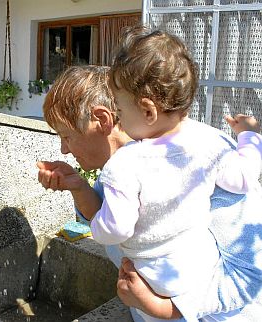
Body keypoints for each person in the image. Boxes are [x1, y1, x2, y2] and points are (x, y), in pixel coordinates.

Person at [37, 64, 262, 321]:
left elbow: (249, 271)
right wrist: (78, 186)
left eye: (67, 136)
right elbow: (109, 223)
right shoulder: (121, 167)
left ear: (102, 120)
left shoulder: (198, 155)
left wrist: (163, 308)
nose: (64, 150)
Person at [90, 26, 262, 320]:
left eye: (120, 108)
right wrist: (249, 136)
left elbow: (116, 228)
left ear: (147, 111)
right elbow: (244, 178)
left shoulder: (126, 163)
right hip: (201, 270)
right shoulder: (209, 141)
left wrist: (96, 225)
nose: (119, 118)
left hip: (155, 279)